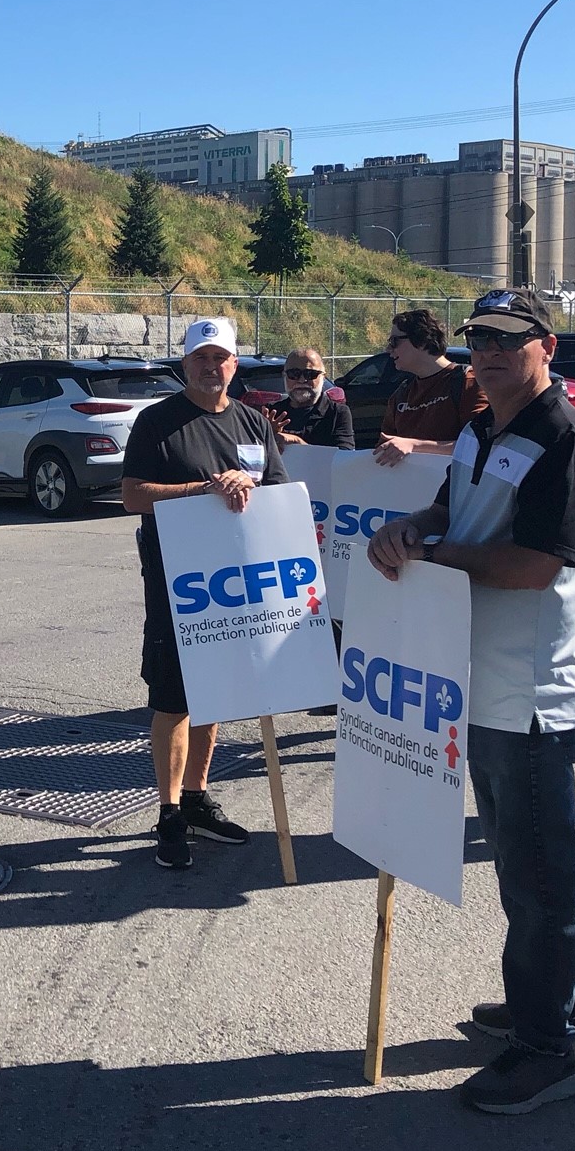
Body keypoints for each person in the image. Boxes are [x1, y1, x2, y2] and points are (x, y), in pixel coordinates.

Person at [369, 288, 575, 1115]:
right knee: (519, 866)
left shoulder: (563, 439)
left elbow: (535, 565)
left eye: (512, 338)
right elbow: (456, 508)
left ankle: (548, 1050)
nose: (493, 351)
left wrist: (433, 550)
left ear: (547, 346)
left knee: (542, 882)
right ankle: (558, 1006)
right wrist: (416, 525)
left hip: (532, 695)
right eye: (480, 337)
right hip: (480, 682)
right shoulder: (480, 425)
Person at [120, 317, 279, 870]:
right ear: (185, 364)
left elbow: (280, 494)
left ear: (236, 364)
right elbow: (134, 496)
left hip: (233, 587)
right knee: (173, 699)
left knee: (213, 693)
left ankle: (195, 799)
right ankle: (167, 814)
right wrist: (206, 489)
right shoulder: (158, 423)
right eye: (201, 359)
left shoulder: (254, 423)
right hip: (176, 585)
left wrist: (251, 485)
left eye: (222, 359)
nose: (212, 368)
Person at [372, 308, 487, 464]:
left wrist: (414, 445)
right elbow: (383, 448)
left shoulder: (468, 382)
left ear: (421, 341)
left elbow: (479, 446)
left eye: (394, 342)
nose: (389, 349)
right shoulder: (401, 394)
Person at [263, 347, 355, 449]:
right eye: (294, 374)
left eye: (310, 374)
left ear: (323, 377)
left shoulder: (336, 413)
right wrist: (267, 436)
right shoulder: (272, 413)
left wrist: (297, 442)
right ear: (284, 376)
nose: (302, 380)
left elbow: (344, 456)